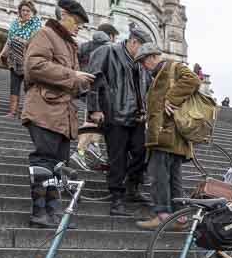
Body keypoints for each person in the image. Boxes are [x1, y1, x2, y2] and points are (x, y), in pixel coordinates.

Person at [22, 0, 94, 228]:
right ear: (64, 15)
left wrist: (83, 82)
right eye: (77, 22)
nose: (79, 27)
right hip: (45, 108)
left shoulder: (68, 44)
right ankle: (39, 212)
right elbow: (34, 66)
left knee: (57, 164)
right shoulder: (44, 35)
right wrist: (73, 75)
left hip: (62, 113)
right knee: (44, 159)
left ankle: (53, 211)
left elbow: (66, 77)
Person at [86, 27, 154, 216]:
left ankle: (133, 187)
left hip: (138, 116)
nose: (144, 54)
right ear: (133, 42)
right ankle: (117, 197)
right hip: (115, 113)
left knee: (142, 152)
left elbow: (148, 86)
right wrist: (94, 108)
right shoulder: (108, 51)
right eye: (142, 48)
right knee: (118, 158)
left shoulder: (140, 63)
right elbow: (93, 79)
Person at [134, 43, 201, 231]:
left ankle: (162, 215)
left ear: (152, 57)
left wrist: (171, 98)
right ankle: (179, 219)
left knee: (159, 177)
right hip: (167, 136)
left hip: (167, 135)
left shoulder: (173, 66)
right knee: (173, 178)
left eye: (143, 61)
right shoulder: (158, 75)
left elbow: (193, 80)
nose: (143, 66)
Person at [0, 0, 42, 118]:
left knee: (29, 87)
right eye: (23, 10)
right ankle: (12, 111)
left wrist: (21, 41)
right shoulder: (14, 23)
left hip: (29, 60)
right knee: (14, 85)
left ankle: (28, 112)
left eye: (28, 10)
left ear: (33, 12)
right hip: (14, 59)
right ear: (19, 11)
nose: (25, 12)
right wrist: (2, 54)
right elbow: (9, 40)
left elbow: (36, 43)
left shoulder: (37, 25)